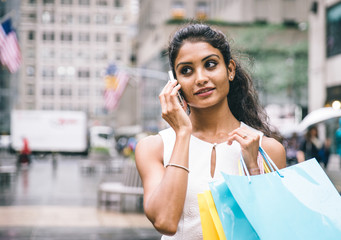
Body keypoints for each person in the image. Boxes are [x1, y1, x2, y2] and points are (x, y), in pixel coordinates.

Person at [135, 23, 286, 239]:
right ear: (174, 82)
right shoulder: (154, 148)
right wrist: (183, 134)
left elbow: (272, 229)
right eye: (186, 70)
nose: (200, 78)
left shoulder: (266, 150)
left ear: (230, 70)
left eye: (210, 64)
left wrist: (253, 170)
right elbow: (165, 221)